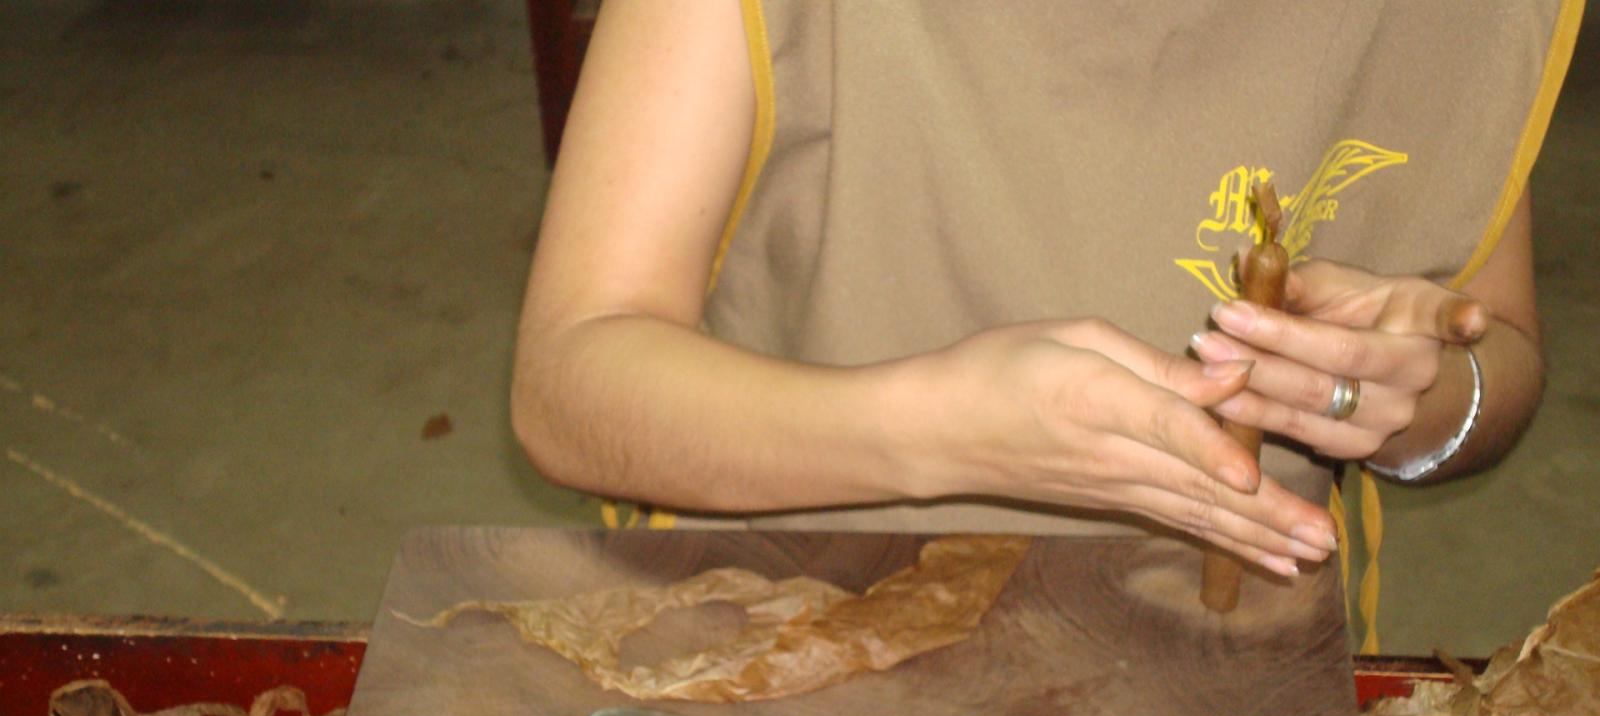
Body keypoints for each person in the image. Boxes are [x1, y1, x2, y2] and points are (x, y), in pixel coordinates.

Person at [510, 2, 1574, 580]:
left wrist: (1410, 405)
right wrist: (935, 432)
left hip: (1224, 687)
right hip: (789, 630)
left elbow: (1496, 351)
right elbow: (570, 382)